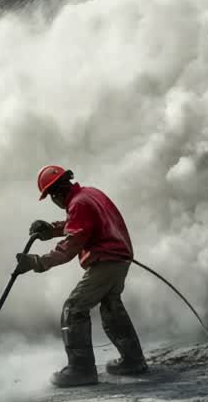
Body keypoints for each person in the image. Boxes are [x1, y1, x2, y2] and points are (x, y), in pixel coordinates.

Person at [14, 165, 150, 387]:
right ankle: (133, 361)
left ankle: (81, 370)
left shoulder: (78, 204)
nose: (54, 201)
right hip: (119, 259)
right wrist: (50, 229)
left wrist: (38, 262)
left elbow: (71, 245)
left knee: (74, 307)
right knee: (111, 308)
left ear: (56, 194)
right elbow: (81, 225)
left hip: (107, 261)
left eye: (50, 196)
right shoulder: (89, 194)